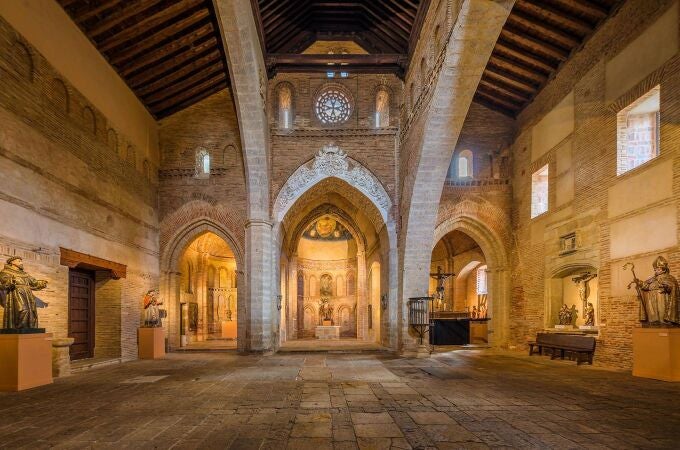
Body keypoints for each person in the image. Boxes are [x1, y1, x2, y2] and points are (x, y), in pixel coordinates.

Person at [0, 256, 48, 330]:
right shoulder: (5, 272)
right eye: (19, 261)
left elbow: (34, 282)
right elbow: (4, 281)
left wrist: (42, 283)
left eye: (21, 261)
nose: (21, 262)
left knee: (31, 311)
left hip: (27, 293)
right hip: (16, 292)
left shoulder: (24, 274)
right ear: (12, 262)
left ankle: (29, 329)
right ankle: (20, 329)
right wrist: (11, 281)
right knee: (22, 310)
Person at [636, 256, 679, 325]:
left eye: (658, 269)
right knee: (653, 314)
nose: (656, 271)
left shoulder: (669, 278)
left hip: (662, 297)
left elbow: (672, 286)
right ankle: (654, 322)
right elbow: (647, 286)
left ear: (664, 269)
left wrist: (666, 287)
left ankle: (664, 322)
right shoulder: (653, 279)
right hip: (652, 299)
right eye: (655, 270)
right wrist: (640, 283)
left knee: (661, 311)